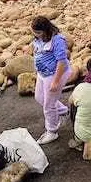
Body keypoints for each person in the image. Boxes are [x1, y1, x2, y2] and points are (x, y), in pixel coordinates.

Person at [31, 16, 72, 145]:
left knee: (48, 105)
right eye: (34, 32)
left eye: (37, 32)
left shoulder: (57, 40)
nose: (35, 35)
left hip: (54, 74)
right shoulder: (37, 38)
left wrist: (55, 81)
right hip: (42, 74)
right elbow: (36, 52)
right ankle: (62, 111)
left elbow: (61, 61)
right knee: (39, 97)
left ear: (45, 30)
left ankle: (52, 131)